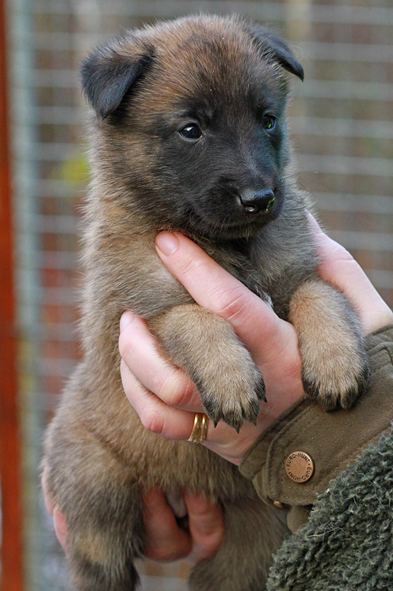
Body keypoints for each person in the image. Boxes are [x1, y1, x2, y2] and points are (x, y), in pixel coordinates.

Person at [43, 217, 393, 589]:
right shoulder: (130, 234)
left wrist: (316, 432)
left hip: (257, 498)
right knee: (95, 519)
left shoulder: (282, 226)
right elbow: (120, 342)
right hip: (121, 454)